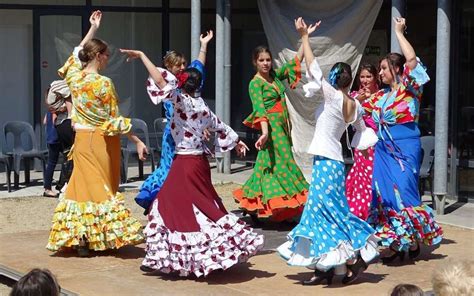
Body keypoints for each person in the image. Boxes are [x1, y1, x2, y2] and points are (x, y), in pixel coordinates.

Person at [120, 48, 264, 277]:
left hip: (184, 163)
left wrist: (142, 55)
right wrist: (237, 142)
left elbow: (158, 79)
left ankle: (183, 257)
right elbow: (221, 126)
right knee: (200, 205)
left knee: (169, 206)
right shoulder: (202, 107)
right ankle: (193, 256)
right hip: (199, 163)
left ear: (181, 84)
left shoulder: (180, 101)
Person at [278, 18, 380, 286]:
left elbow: (312, 68)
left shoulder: (334, 96)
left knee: (323, 211)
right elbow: (362, 132)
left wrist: (304, 38)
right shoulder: (355, 105)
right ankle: (332, 268)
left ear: (336, 79)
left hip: (327, 162)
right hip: (333, 161)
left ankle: (346, 260)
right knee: (325, 211)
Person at [46, 10, 146, 255]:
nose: (107, 59)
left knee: (81, 189)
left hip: (81, 140)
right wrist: (136, 139)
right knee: (99, 189)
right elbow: (113, 119)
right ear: (99, 56)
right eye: (106, 55)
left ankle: (83, 239)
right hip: (101, 141)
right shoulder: (104, 84)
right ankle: (96, 237)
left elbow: (75, 54)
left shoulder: (75, 79)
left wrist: (93, 29)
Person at [364, 17, 443, 262]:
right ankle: (396, 241)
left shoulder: (411, 89)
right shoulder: (379, 97)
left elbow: (412, 61)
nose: (381, 72)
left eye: (385, 68)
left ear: (397, 70)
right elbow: (354, 110)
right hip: (382, 151)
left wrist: (399, 32)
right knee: (383, 194)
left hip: (405, 149)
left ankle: (413, 238)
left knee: (405, 193)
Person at [133, 31, 213, 214]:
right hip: (173, 137)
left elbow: (198, 66)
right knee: (169, 170)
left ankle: (188, 205)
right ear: (169, 66)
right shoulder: (171, 89)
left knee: (190, 172)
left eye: (184, 63)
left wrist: (204, 45)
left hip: (191, 136)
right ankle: (159, 203)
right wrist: (142, 56)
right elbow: (159, 79)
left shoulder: (187, 83)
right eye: (179, 65)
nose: (183, 67)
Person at [232, 41, 310, 222]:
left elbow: (295, 62)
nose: (266, 63)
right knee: (285, 164)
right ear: (255, 62)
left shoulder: (273, 76)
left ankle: (257, 202)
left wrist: (304, 37)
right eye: (262, 60)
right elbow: (260, 109)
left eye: (268, 60)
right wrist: (265, 133)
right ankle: (279, 204)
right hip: (273, 130)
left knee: (267, 166)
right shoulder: (255, 84)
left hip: (282, 128)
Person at [345, 63, 379, 220]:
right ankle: (360, 212)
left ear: (375, 77)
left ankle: (375, 211)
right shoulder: (353, 96)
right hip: (361, 142)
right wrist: (359, 99)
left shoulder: (381, 96)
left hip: (378, 143)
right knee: (362, 177)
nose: (365, 80)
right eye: (362, 76)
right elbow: (348, 116)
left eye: (369, 76)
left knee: (374, 177)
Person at [45, 79, 75, 192]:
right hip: (55, 137)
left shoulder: (51, 108)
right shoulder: (56, 113)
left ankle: (51, 186)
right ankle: (55, 186)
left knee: (55, 161)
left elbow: (45, 122)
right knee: (65, 159)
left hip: (52, 137)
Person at [43, 110, 61, 198]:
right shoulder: (57, 110)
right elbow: (55, 121)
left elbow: (44, 122)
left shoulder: (50, 110)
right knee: (53, 162)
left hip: (50, 137)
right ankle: (48, 188)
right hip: (56, 137)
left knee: (51, 163)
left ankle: (48, 187)